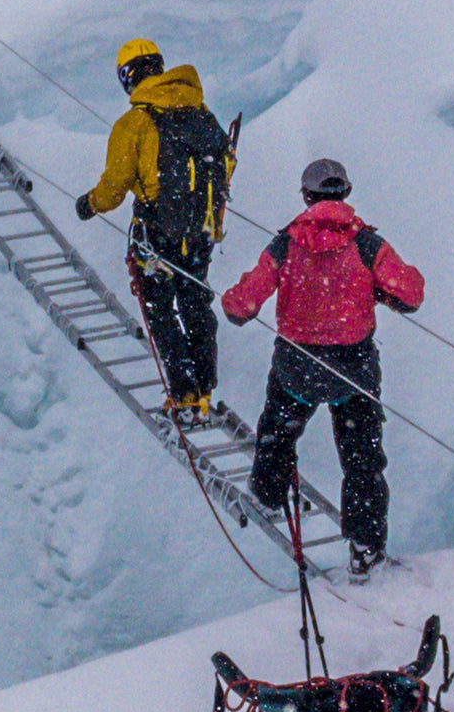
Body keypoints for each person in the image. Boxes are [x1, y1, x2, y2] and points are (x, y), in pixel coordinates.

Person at [221, 159, 424, 581]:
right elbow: (411, 293)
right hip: (354, 367)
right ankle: (366, 548)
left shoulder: (286, 244)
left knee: (278, 428)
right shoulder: (367, 244)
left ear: (306, 196)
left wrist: (231, 301)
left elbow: (243, 304)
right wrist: (376, 290)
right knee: (362, 459)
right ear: (345, 193)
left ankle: (266, 494)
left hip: (298, 364)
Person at [75, 38, 235, 426]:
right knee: (196, 303)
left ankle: (182, 393)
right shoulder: (202, 112)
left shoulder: (135, 123)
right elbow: (225, 164)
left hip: (155, 232)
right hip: (199, 230)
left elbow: (114, 188)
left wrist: (90, 204)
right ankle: (204, 390)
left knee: (160, 311)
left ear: (127, 77)